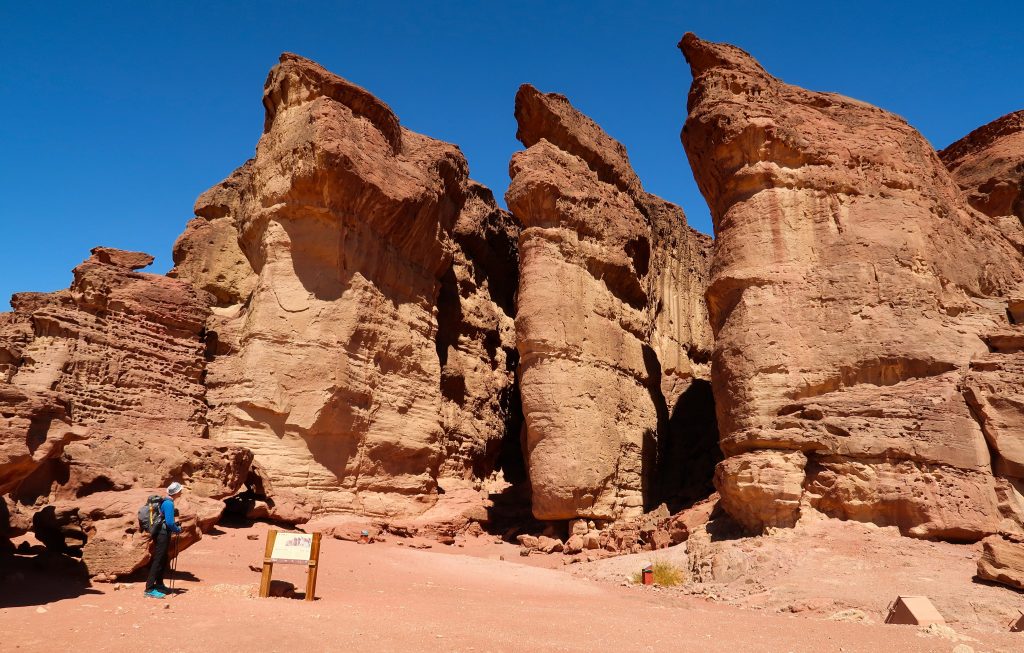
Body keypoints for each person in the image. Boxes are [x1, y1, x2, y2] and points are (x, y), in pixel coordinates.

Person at [144, 481, 184, 599]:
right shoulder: (169, 504)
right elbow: (170, 522)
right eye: (180, 490)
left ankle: (159, 584)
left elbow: (166, 520)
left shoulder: (166, 502)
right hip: (162, 534)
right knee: (158, 560)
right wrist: (177, 529)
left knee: (163, 558)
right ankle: (149, 589)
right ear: (176, 492)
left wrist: (174, 526)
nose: (181, 492)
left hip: (161, 532)